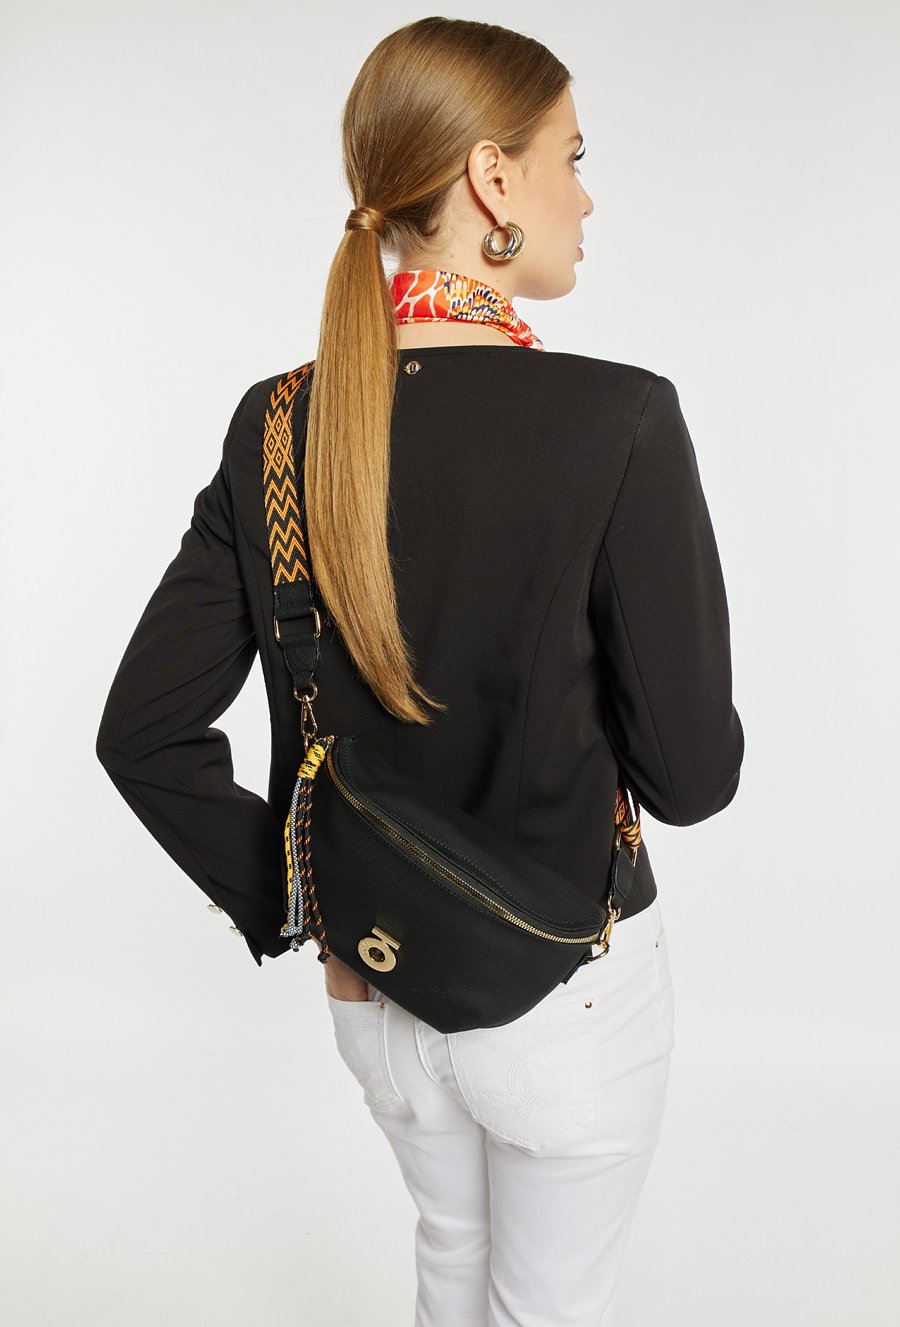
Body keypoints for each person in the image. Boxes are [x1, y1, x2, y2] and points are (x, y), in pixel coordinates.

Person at [95, 16, 744, 1326]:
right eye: (572, 156)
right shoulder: (620, 419)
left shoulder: (277, 425)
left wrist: (303, 903)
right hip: (568, 990)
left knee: (451, 1267)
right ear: (494, 180)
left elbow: (142, 734)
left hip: (377, 993)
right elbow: (691, 781)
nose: (586, 195)